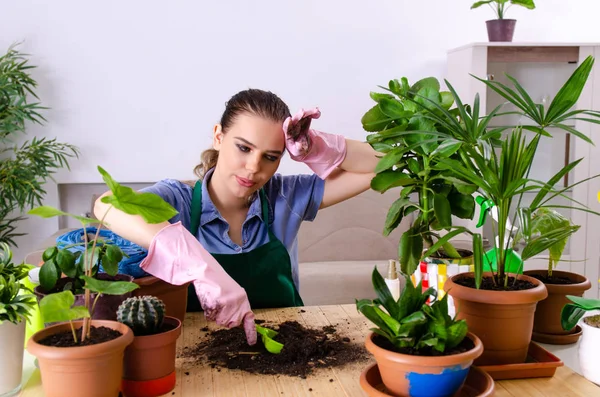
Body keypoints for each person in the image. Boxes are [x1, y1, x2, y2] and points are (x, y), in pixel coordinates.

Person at [93, 88, 380, 345]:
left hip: (287, 347)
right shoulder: (177, 199)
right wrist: (202, 266)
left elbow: (386, 166)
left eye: (270, 156)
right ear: (219, 137)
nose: (254, 168)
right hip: (198, 351)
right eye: (243, 148)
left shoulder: (285, 197)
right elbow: (108, 204)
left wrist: (317, 146)